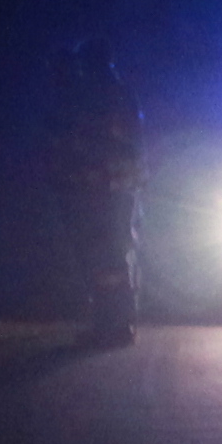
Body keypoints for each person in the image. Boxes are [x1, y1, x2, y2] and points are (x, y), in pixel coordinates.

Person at [45, 40, 142, 347]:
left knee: (106, 256)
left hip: (104, 188)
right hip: (114, 186)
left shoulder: (101, 96)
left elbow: (91, 142)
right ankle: (114, 324)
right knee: (110, 256)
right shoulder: (118, 93)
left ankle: (114, 325)